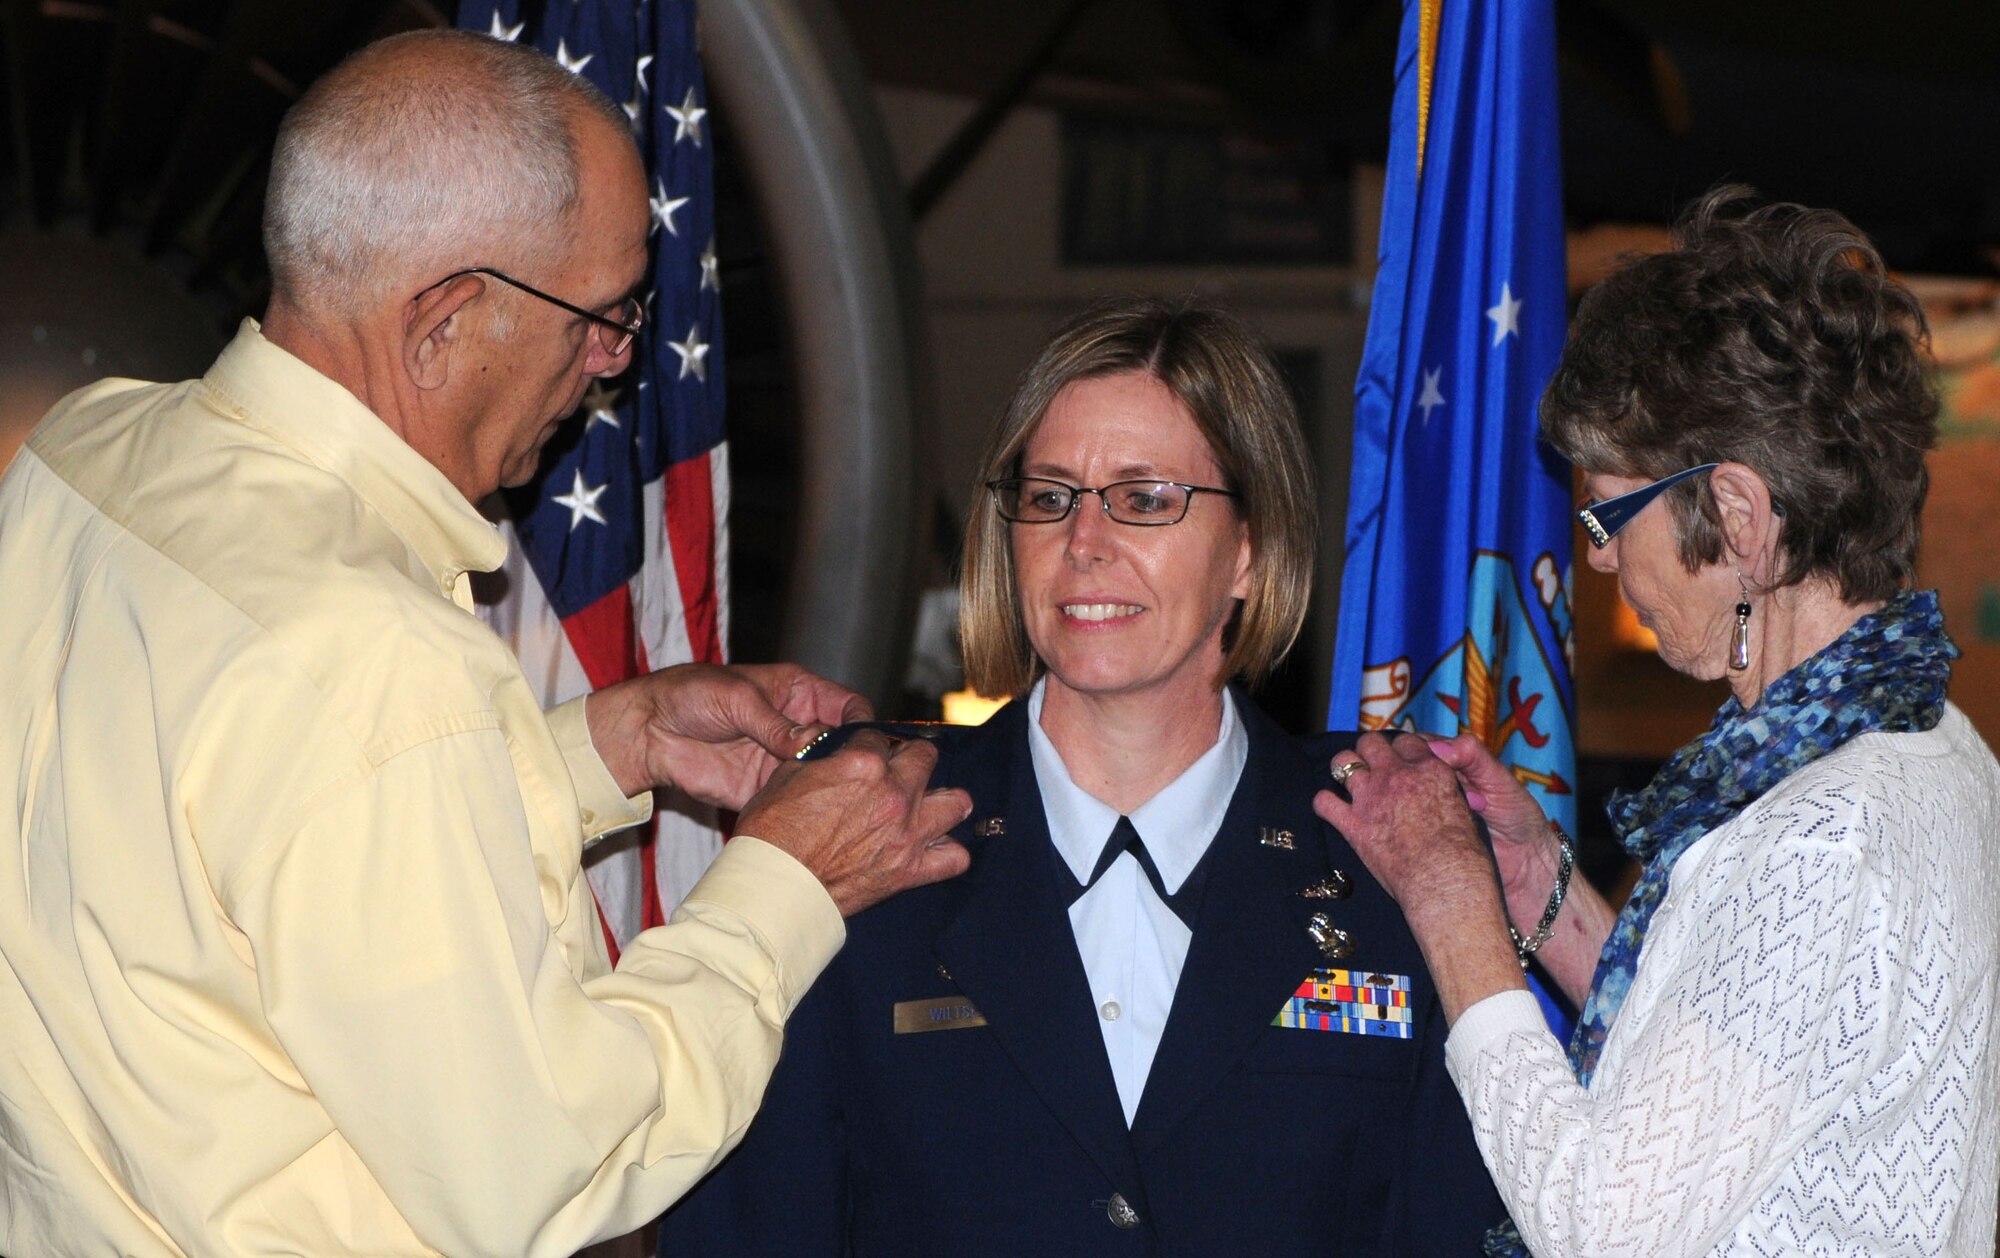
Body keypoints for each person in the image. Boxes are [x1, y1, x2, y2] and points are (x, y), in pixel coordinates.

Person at [0, 30, 972, 1258]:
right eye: (606, 314)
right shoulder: (372, 662)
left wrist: (588, 750)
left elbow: (222, 842)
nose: (615, 364)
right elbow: (546, 1167)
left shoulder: (84, 451)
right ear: (444, 320)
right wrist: (784, 883)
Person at [655, 296, 1500, 1254]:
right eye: (1050, 497)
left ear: (1251, 552)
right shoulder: (857, 831)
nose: (1084, 543)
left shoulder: (1388, 849)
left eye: (1145, 500)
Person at [1319, 186, 2000, 1257]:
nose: (1596, 557)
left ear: (1732, 513)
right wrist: (1542, 893)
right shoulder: (1930, 748)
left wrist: (1449, 904)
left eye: (1605, 512)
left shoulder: (1816, 835)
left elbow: (1601, 1226)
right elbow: (1733, 1071)